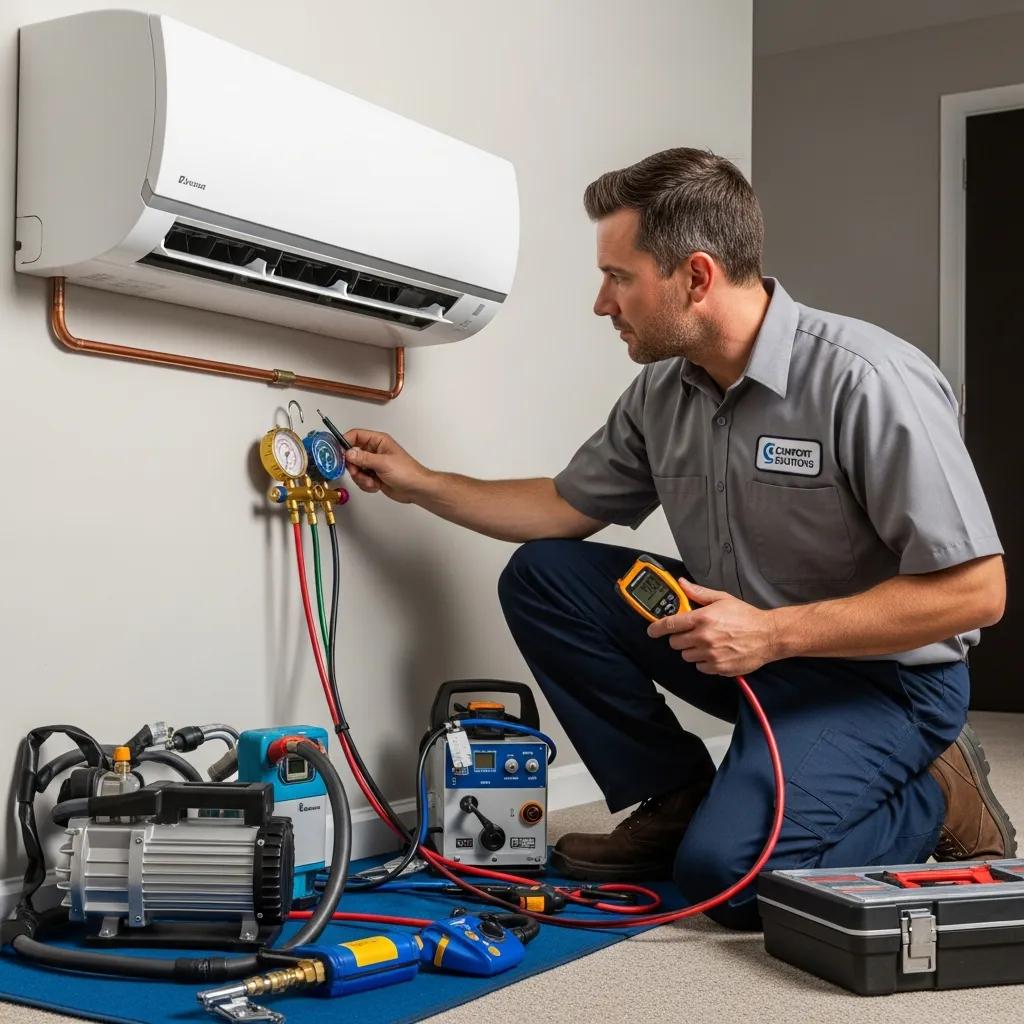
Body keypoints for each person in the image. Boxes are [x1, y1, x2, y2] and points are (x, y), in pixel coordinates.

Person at [341, 147, 1016, 930]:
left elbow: (978, 591)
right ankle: (675, 793)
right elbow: (563, 507)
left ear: (696, 277)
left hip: (884, 685)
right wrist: (422, 482)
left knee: (723, 880)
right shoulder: (662, 394)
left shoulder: (869, 381)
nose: (603, 303)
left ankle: (936, 797)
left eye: (619, 278)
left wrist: (770, 633)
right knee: (545, 576)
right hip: (744, 650)